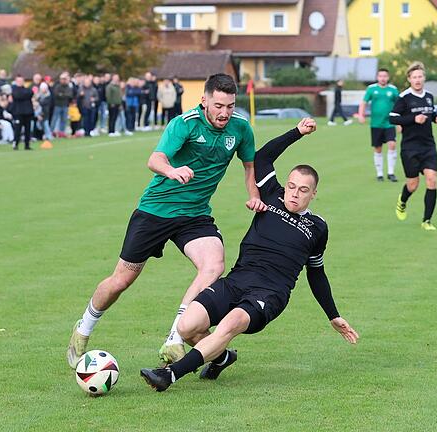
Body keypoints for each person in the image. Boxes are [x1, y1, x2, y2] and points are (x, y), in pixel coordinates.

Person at [140, 118, 359, 391]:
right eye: (291, 186)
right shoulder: (270, 194)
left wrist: (333, 314)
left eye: (303, 190)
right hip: (238, 280)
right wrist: (297, 133)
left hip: (269, 294)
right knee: (187, 327)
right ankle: (221, 358)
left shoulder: (317, 227)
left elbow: (316, 273)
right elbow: (262, 157)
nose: (294, 194)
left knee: (229, 325)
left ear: (313, 194)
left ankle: (169, 375)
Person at [66, 73, 265, 369]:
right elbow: (155, 159)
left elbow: (250, 167)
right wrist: (172, 171)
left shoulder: (241, 129)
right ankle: (83, 328)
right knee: (121, 280)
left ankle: (174, 339)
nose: (225, 112)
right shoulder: (183, 124)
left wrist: (254, 195)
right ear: (205, 100)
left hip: (195, 215)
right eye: (219, 105)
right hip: (156, 211)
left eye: (230, 106)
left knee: (214, 265)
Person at [389, 62, 437, 231]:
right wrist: (413, 119)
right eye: (414, 77)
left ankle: (427, 221)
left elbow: (430, 112)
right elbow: (393, 118)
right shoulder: (404, 98)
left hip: (428, 146)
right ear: (409, 79)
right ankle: (402, 201)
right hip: (410, 147)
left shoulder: (429, 96)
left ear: (424, 78)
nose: (417, 80)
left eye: (420, 76)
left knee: (432, 180)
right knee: (413, 184)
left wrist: (436, 118)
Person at [358, 68, 400, 182]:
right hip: (376, 124)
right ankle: (380, 174)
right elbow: (364, 102)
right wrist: (361, 115)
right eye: (381, 76)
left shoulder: (393, 90)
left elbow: (400, 104)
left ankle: (391, 172)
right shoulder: (372, 89)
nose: (383, 78)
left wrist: (400, 121)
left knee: (392, 144)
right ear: (377, 77)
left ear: (388, 77)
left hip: (390, 123)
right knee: (378, 148)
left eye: (385, 76)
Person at [10, 75, 34, 150]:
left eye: (21, 81)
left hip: (28, 112)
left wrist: (24, 95)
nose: (20, 82)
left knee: (28, 130)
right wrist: (24, 95)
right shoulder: (14, 90)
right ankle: (15, 143)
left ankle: (27, 145)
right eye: (18, 81)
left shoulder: (27, 89)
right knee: (18, 129)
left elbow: (30, 93)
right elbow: (17, 96)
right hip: (18, 112)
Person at [51, 73, 72, 137]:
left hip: (65, 105)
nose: (63, 81)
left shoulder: (68, 87)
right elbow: (56, 94)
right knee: (54, 119)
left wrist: (62, 94)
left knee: (64, 120)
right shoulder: (58, 86)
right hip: (58, 105)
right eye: (62, 79)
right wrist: (63, 95)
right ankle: (51, 132)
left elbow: (69, 95)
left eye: (64, 79)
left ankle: (61, 133)